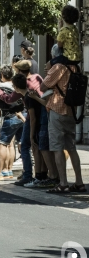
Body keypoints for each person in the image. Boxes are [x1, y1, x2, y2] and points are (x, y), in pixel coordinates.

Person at [40, 48, 86, 193]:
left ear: (54, 55)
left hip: (57, 109)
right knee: (72, 148)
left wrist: (49, 70)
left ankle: (63, 183)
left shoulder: (58, 68)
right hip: (71, 110)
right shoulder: (75, 67)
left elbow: (43, 86)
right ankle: (79, 182)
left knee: (57, 148)